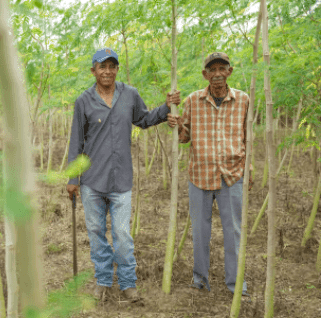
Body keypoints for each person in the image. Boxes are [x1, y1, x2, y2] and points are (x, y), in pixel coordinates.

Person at [66, 47, 180, 302]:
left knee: (122, 235)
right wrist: (73, 179)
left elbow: (145, 119)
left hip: (121, 181)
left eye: (112, 66)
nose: (107, 71)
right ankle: (103, 281)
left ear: (117, 69)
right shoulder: (83, 101)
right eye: (102, 66)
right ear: (93, 71)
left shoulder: (130, 95)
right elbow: (76, 142)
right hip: (92, 182)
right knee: (96, 234)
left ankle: (128, 284)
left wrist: (167, 108)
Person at [167, 52, 252, 300]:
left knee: (234, 230)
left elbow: (249, 138)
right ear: (205, 74)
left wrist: (251, 168)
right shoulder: (193, 101)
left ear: (230, 71)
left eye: (221, 69)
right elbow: (184, 137)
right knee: (200, 230)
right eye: (211, 69)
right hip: (200, 175)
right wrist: (175, 123)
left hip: (232, 174)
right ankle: (200, 280)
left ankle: (236, 284)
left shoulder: (243, 100)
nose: (217, 74)